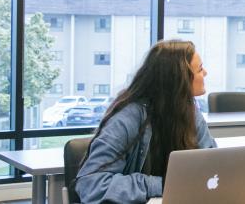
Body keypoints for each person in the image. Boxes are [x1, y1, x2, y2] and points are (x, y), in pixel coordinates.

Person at [75, 40, 216, 203]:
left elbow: (210, 165)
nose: (205, 73)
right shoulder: (126, 118)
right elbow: (92, 185)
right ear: (180, 78)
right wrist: (163, 185)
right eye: (199, 69)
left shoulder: (189, 110)